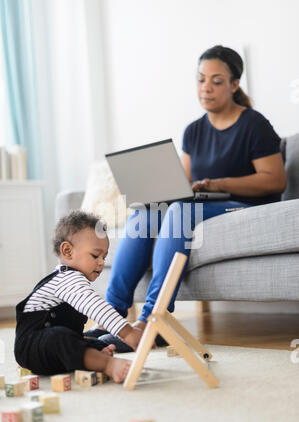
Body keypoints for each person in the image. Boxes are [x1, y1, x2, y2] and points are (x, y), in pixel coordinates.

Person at [86, 45, 287, 351]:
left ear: (234, 85)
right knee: (148, 213)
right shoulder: (193, 130)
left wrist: (219, 185)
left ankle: (155, 321)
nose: (206, 87)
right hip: (203, 204)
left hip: (244, 206)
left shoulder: (254, 124)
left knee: (179, 212)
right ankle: (112, 317)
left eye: (217, 81)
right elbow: (183, 184)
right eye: (201, 79)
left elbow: (276, 180)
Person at [14, 211, 143, 383]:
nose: (101, 263)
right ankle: (107, 364)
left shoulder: (73, 279)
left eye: (104, 257)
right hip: (32, 347)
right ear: (67, 251)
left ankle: (93, 357)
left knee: (94, 342)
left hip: (54, 352)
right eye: (95, 256)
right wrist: (127, 332)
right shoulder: (67, 279)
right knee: (61, 338)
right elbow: (95, 306)